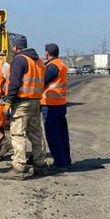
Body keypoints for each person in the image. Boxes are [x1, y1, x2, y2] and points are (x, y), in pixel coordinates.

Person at [0, 35, 47, 180]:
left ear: (15, 47)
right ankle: (40, 164)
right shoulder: (38, 61)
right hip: (35, 101)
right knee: (36, 134)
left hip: (21, 103)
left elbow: (14, 83)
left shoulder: (19, 60)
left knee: (18, 135)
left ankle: (18, 168)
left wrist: (8, 101)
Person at [41, 43, 72, 172]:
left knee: (53, 134)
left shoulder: (52, 67)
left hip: (50, 104)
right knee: (62, 133)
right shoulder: (61, 64)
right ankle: (65, 160)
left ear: (47, 53)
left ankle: (59, 163)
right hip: (60, 103)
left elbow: (42, 81)